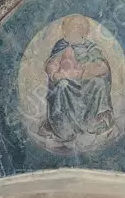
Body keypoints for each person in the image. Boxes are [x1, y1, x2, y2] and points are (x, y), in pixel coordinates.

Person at [39, 15, 114, 146]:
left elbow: (103, 67)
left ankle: (94, 122)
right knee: (63, 85)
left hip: (85, 81)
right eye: (73, 26)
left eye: (80, 27)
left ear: (85, 31)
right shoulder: (61, 45)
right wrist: (55, 74)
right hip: (67, 81)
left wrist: (89, 71)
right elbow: (51, 64)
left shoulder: (91, 47)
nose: (76, 29)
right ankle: (64, 128)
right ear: (67, 30)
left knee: (99, 83)